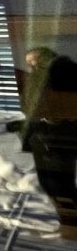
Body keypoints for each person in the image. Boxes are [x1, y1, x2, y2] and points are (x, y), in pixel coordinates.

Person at [16, 47, 77, 240]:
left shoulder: (65, 76)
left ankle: (71, 227)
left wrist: (53, 118)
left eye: (35, 62)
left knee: (61, 184)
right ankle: (67, 224)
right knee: (50, 183)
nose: (32, 67)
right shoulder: (37, 80)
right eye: (29, 64)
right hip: (44, 137)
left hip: (62, 136)